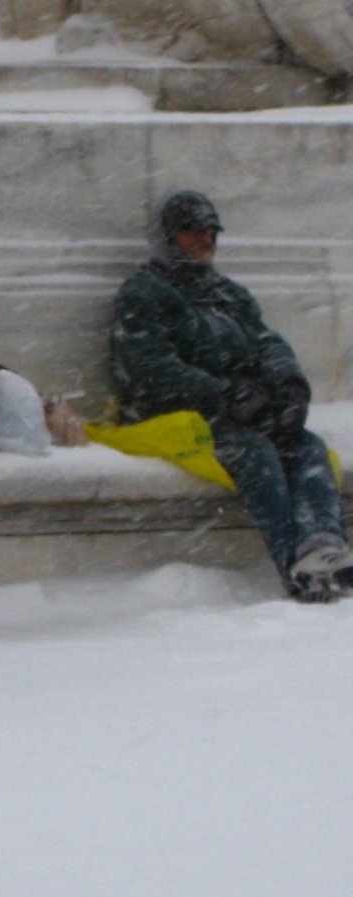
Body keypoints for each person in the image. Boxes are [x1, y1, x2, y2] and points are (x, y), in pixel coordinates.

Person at [110, 189, 352, 602]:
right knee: (255, 453)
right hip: (183, 416)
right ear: (169, 238)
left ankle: (325, 548)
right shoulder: (144, 293)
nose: (205, 239)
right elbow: (149, 368)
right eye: (192, 232)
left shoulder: (229, 293)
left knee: (305, 446)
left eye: (210, 231)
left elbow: (267, 342)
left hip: (240, 409)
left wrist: (289, 389)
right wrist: (223, 394)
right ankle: (296, 567)